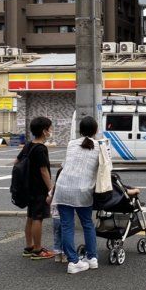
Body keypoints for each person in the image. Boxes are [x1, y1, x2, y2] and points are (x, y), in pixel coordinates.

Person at [52, 116, 101, 274]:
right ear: (95, 130)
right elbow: (105, 169)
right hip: (83, 190)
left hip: (64, 188)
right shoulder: (99, 146)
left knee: (67, 225)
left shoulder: (71, 144)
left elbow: (65, 165)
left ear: (80, 130)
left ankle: (73, 261)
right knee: (87, 223)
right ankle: (92, 258)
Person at [18, 116, 55, 260]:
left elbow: (17, 161)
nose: (51, 131)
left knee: (30, 217)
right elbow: (43, 170)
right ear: (44, 131)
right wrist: (51, 189)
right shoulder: (41, 148)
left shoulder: (28, 144)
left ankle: (29, 247)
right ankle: (38, 250)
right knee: (38, 218)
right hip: (39, 188)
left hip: (28, 187)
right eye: (50, 128)